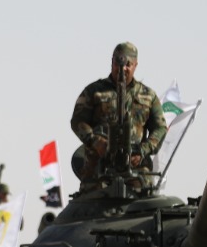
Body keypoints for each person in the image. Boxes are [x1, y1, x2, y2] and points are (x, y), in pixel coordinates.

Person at [71, 42, 167, 191]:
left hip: (136, 172)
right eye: (118, 63)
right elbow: (78, 121)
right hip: (98, 171)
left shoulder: (148, 96)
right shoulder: (94, 91)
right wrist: (95, 141)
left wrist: (143, 150)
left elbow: (160, 128)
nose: (123, 69)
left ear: (135, 65)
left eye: (128, 65)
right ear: (112, 62)